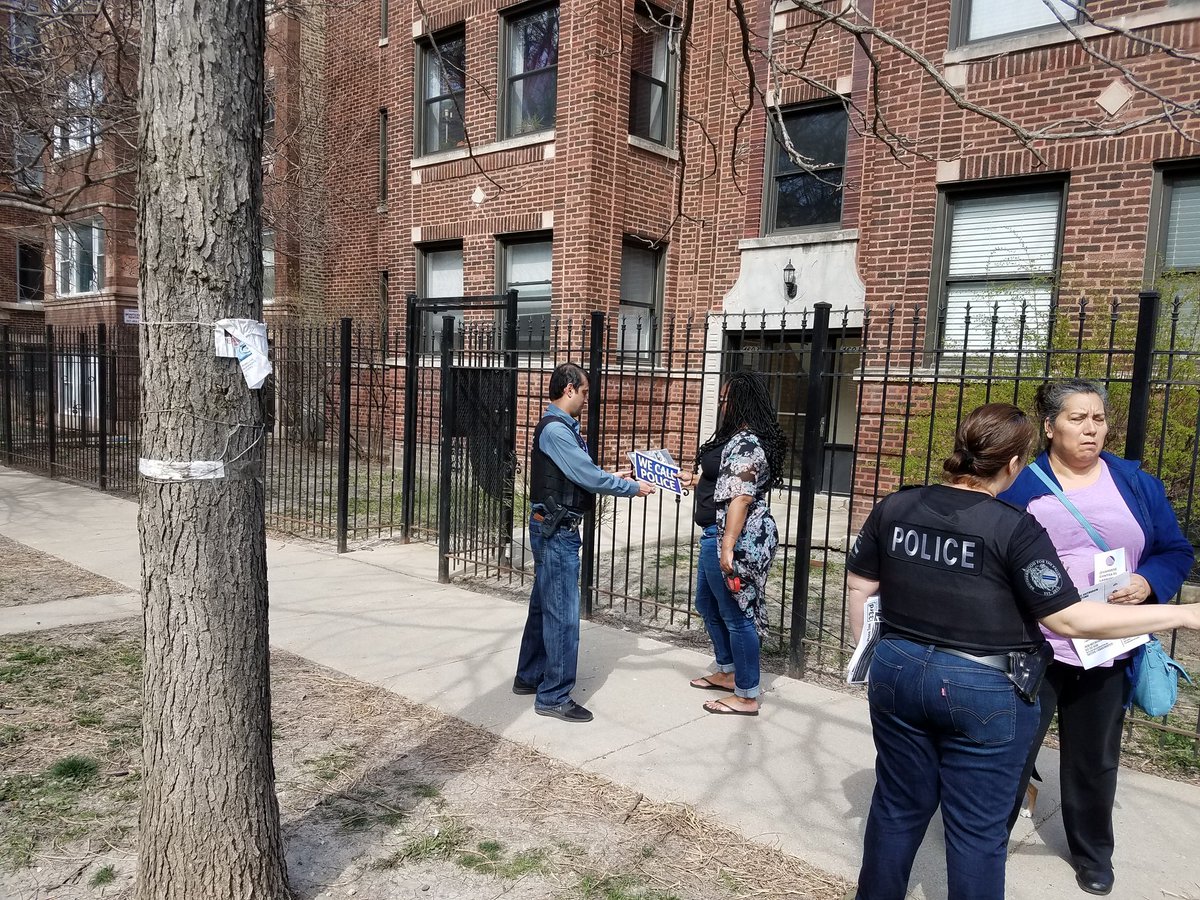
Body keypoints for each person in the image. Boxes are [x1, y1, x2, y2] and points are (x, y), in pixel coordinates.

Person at [847, 403, 1200, 900]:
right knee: (977, 833)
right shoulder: (1014, 526)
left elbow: (861, 587)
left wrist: (874, 660)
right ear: (1013, 465)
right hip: (982, 686)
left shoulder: (895, 507)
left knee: (896, 808)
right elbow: (1069, 619)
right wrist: (1182, 614)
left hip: (896, 670)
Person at [1001, 379, 1194, 896]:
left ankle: (1092, 853)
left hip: (1108, 644)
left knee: (1094, 757)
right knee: (1013, 749)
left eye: (1099, 419)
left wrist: (1149, 580)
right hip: (1033, 643)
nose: (1091, 430)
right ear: (1049, 427)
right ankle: (988, 838)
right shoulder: (1022, 484)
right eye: (1077, 419)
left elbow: (1176, 550)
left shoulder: (1136, 484)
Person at [513, 363, 655, 723]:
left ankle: (529, 676)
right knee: (562, 617)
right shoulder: (558, 431)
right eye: (586, 391)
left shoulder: (562, 429)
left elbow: (578, 473)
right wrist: (629, 487)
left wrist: (612, 476)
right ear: (570, 389)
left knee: (544, 607)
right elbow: (586, 475)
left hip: (552, 526)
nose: (587, 398)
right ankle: (554, 695)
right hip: (557, 531)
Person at [678, 370, 786, 717]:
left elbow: (740, 497)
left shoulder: (747, 444)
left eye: (726, 400)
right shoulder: (735, 440)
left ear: (740, 404)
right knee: (707, 605)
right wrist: (695, 479)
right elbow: (724, 481)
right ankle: (726, 672)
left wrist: (727, 546)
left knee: (738, 614)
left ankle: (746, 694)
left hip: (728, 539)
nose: (721, 405)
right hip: (713, 534)